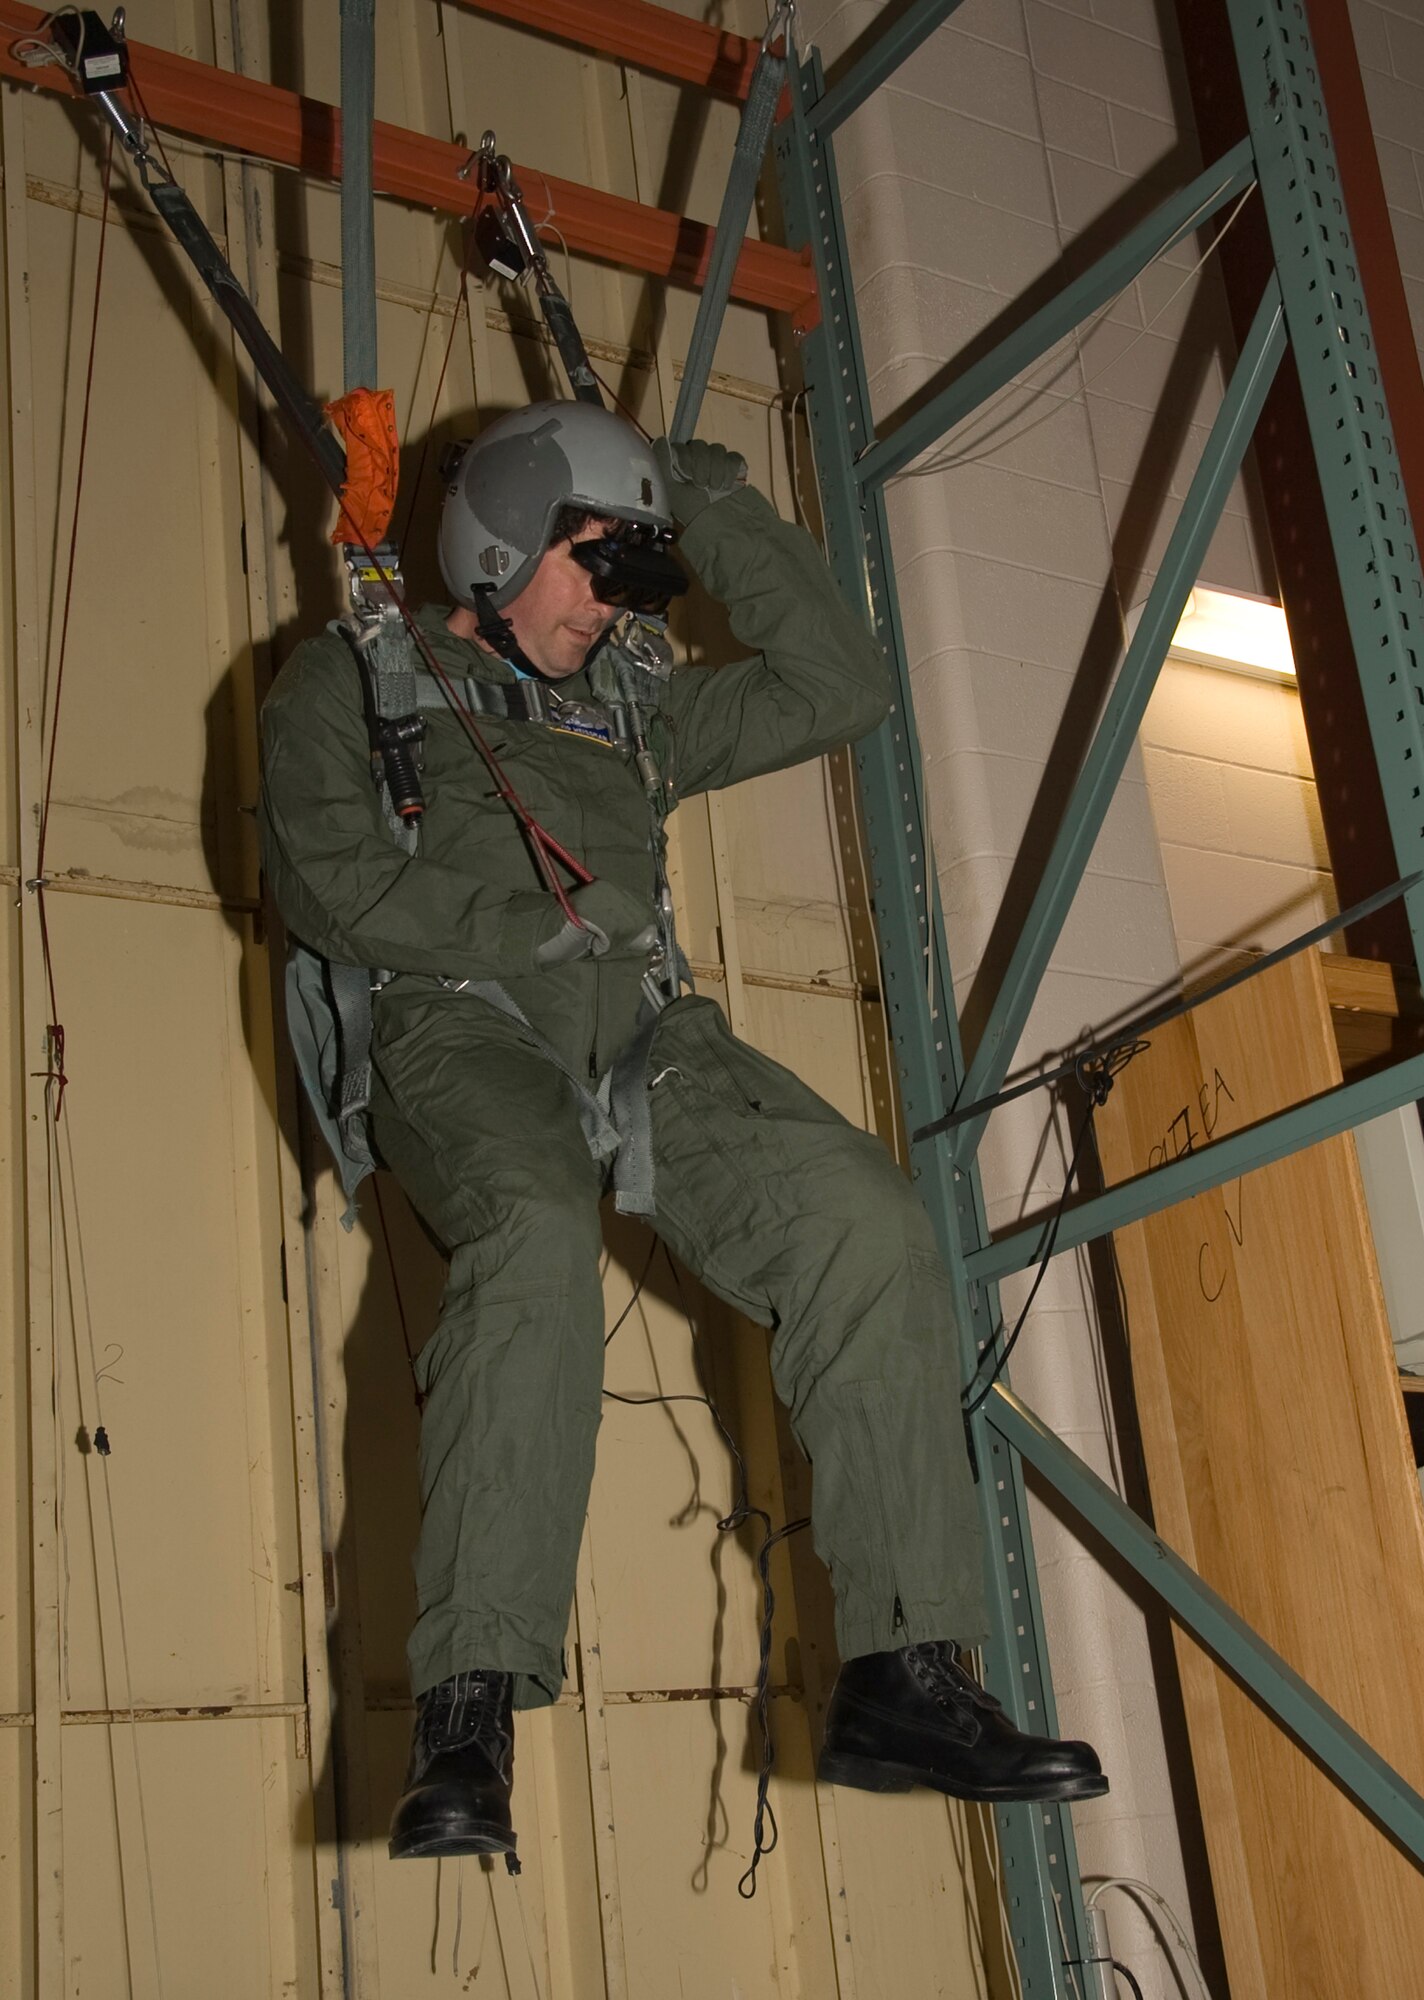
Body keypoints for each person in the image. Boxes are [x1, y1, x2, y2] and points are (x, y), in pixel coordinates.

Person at [257, 400, 1109, 1863]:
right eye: (600, 563)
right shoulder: (355, 680)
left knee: (863, 1218)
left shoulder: (635, 701)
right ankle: (470, 1709)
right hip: (459, 1022)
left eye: (636, 576)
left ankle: (907, 1668)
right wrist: (530, 924)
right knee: (529, 1237)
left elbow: (841, 691)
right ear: (496, 545)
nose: (618, 604)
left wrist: (709, 508)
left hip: (650, 1037)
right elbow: (330, 881)